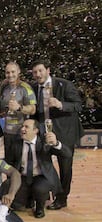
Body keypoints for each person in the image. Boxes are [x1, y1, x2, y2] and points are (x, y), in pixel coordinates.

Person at [31, 60, 84, 210]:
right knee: (43, 164)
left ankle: (62, 198)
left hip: (64, 134)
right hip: (43, 133)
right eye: (35, 72)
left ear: (48, 70)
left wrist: (60, 104)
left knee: (65, 167)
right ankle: (45, 194)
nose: (38, 74)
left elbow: (78, 105)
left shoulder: (64, 84)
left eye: (40, 71)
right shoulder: (34, 88)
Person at [5, 119, 72, 218]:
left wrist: (56, 143)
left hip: (41, 177)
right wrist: (12, 178)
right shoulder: (16, 143)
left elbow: (68, 154)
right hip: (23, 176)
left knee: (40, 189)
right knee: (5, 188)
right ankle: (28, 199)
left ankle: (40, 207)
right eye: (22, 126)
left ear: (35, 130)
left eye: (26, 127)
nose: (22, 129)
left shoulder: (45, 143)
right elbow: (9, 163)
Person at [0, 62, 36, 161]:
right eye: (7, 72)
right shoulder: (4, 88)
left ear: (19, 72)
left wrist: (19, 107)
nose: (10, 75)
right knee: (9, 165)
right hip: (7, 132)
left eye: (13, 72)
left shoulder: (25, 88)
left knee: (21, 165)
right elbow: (1, 108)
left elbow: (33, 109)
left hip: (21, 133)